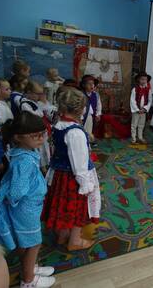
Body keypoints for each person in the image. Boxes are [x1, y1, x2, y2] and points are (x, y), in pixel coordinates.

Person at [0, 112, 56, 287]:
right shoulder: (24, 161)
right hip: (25, 209)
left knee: (26, 242)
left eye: (42, 134)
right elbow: (16, 191)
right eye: (35, 135)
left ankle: (31, 267)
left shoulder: (23, 151)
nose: (41, 139)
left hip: (28, 207)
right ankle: (28, 280)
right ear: (18, 137)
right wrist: (16, 201)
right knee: (33, 243)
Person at [42, 89, 101, 251]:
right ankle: (75, 241)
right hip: (72, 177)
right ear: (80, 109)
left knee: (63, 205)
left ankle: (62, 235)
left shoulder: (58, 125)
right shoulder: (75, 132)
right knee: (77, 207)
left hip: (59, 174)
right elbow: (79, 162)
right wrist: (86, 184)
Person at [130, 72, 152, 144]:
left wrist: (145, 109)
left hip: (143, 111)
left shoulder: (148, 90)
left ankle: (140, 137)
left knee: (141, 124)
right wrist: (137, 109)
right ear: (139, 80)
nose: (144, 81)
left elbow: (150, 100)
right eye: (142, 79)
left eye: (145, 79)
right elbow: (132, 100)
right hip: (136, 111)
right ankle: (133, 138)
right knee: (134, 124)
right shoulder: (135, 89)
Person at [80, 75, 102, 142]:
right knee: (82, 129)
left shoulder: (96, 95)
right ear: (84, 85)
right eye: (89, 84)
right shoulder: (81, 94)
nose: (92, 86)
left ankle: (88, 142)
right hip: (82, 116)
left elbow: (99, 104)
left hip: (90, 116)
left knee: (90, 129)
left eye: (92, 84)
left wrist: (98, 114)